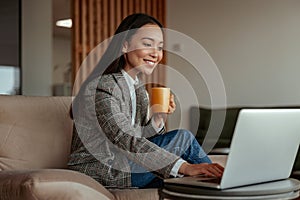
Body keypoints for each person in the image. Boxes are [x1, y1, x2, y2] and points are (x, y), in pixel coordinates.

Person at [68, 13, 224, 189]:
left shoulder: (138, 90)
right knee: (183, 139)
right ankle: (226, 187)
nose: (155, 54)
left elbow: (143, 139)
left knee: (188, 182)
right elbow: (125, 139)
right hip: (104, 169)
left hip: (127, 162)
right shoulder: (102, 87)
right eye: (148, 44)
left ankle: (225, 186)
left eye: (159, 47)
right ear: (125, 46)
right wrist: (186, 167)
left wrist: (157, 118)